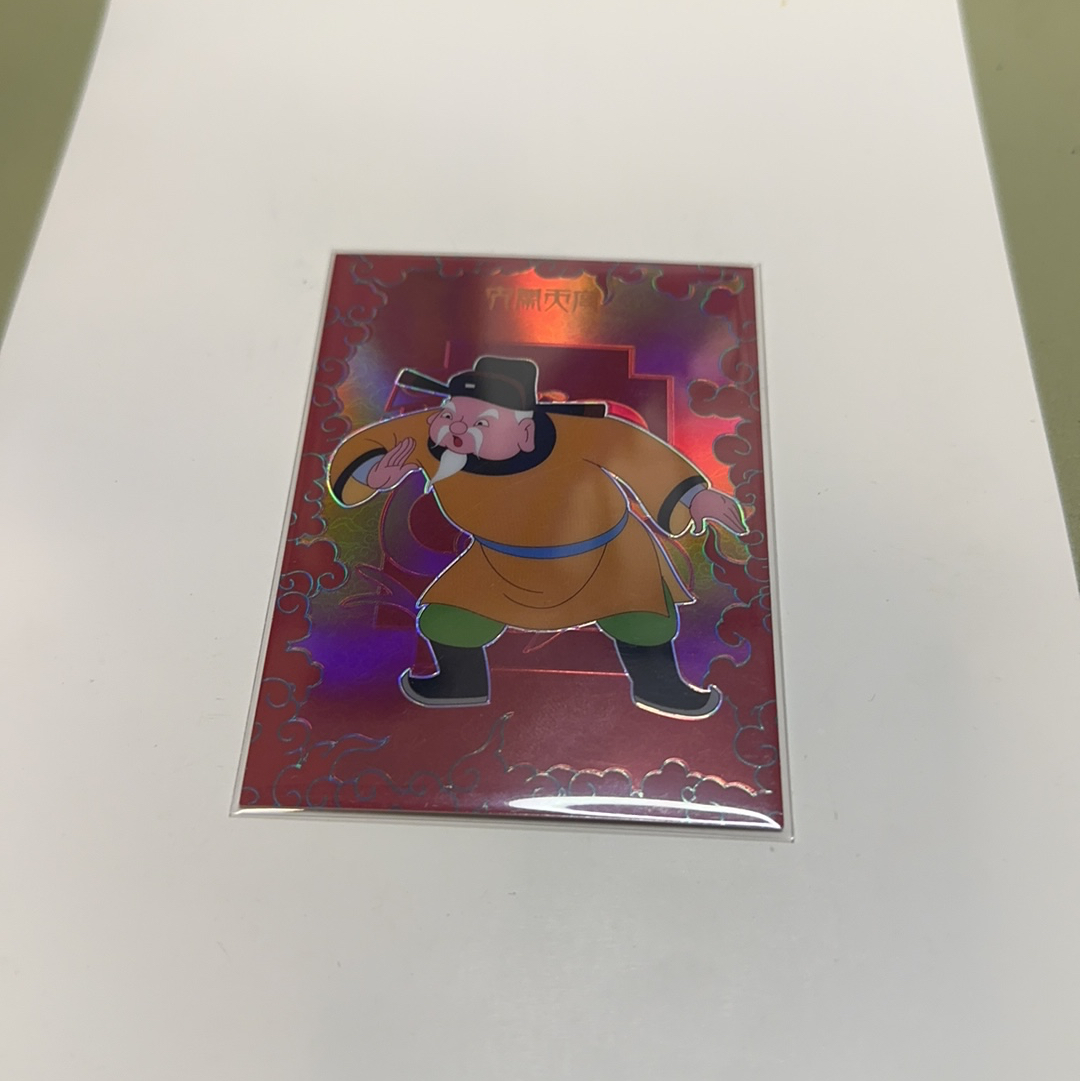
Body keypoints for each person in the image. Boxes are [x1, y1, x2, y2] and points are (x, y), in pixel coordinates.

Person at [328, 356, 747, 719]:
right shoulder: (433, 434)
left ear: (525, 433)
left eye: (481, 423)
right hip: (500, 565)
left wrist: (694, 497)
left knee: (643, 620)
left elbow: (640, 453)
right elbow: (369, 444)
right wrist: (371, 474)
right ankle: (460, 684)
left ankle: (659, 688)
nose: (458, 430)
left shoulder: (579, 433)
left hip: (606, 559)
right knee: (446, 618)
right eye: (450, 416)